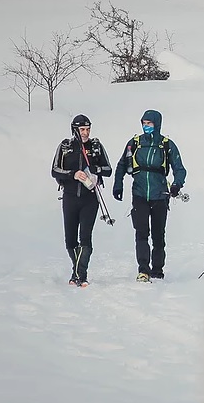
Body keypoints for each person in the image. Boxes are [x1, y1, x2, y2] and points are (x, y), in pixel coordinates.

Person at [112, 109, 187, 282]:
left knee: (158, 234)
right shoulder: (135, 143)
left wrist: (177, 184)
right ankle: (143, 270)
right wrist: (118, 184)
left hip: (160, 194)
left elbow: (179, 168)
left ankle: (158, 269)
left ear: (157, 124)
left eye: (149, 124)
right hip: (139, 193)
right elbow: (122, 164)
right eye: (144, 123)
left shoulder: (166, 144)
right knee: (141, 232)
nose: (146, 127)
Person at [51, 114, 112, 287]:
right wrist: (73, 174)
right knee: (70, 240)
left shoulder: (96, 146)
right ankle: (77, 270)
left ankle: (80, 275)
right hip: (70, 197)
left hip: (90, 198)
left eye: (87, 129)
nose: (85, 133)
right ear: (74, 129)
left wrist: (94, 168)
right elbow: (54, 170)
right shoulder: (65, 146)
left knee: (85, 237)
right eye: (82, 129)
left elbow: (108, 169)